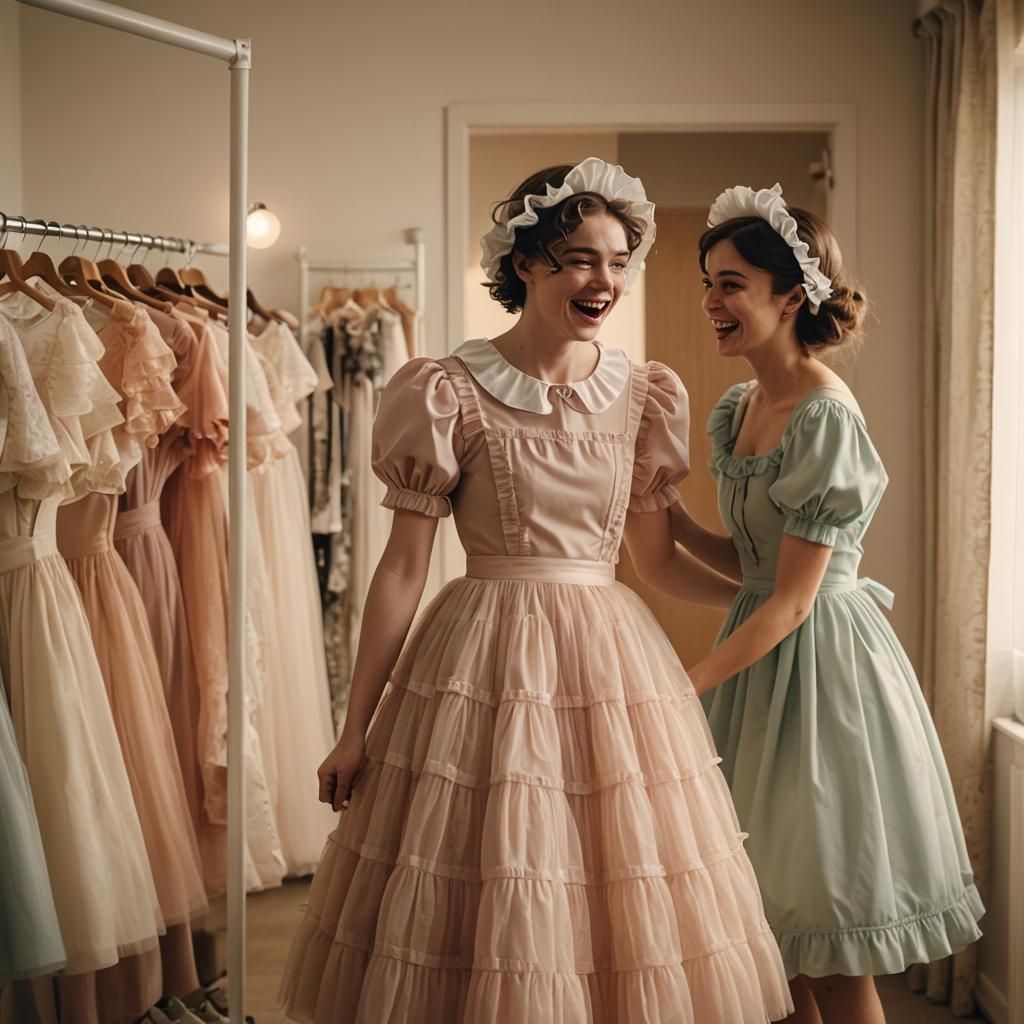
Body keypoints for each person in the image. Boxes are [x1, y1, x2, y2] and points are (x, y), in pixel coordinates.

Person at [279, 158, 793, 1023]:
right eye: (584, 259)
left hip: (610, 666)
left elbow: (658, 562)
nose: (607, 281)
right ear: (526, 263)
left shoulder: (643, 394)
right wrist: (353, 727)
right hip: (479, 655)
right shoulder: (445, 389)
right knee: (480, 894)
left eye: (620, 261)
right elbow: (403, 567)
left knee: (614, 898)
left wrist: (786, 590)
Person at [670, 183, 984, 1024]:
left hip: (821, 676)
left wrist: (684, 685)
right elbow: (751, 568)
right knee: (775, 948)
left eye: (731, 283)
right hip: (760, 665)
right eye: (709, 282)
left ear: (790, 294)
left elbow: (795, 601)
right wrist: (663, 517)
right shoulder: (739, 408)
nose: (711, 301)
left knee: (831, 951)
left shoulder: (823, 417)